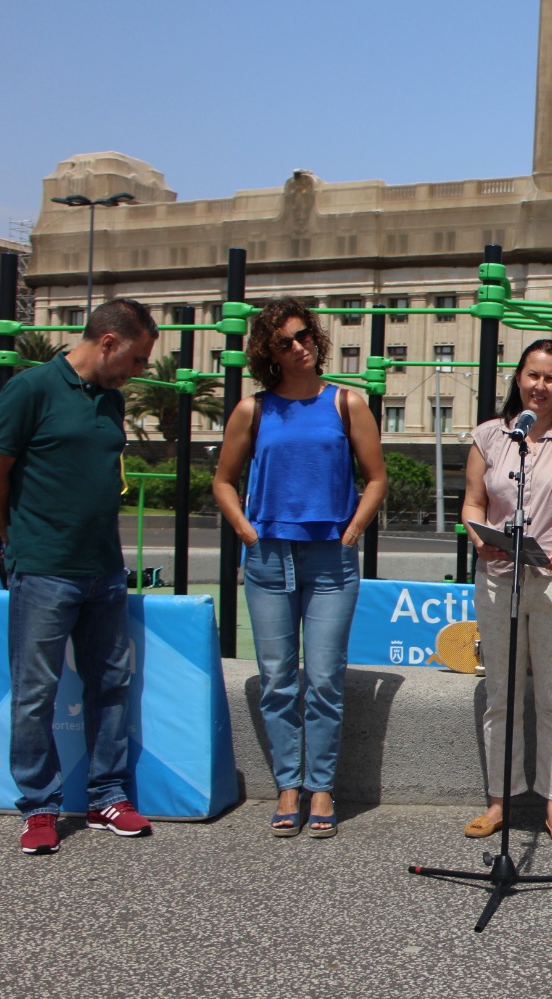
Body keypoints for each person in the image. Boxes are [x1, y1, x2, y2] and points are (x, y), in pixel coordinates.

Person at [0, 299, 159, 855]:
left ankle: (106, 797)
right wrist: (17, 541)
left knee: (110, 685)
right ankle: (38, 807)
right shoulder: (30, 390)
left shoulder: (111, 400)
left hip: (104, 569)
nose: (139, 370)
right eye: (137, 358)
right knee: (37, 692)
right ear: (107, 342)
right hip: (44, 570)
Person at [213, 298, 388, 839]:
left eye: (306, 335)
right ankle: (288, 785)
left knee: (326, 680)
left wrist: (354, 528)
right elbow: (222, 480)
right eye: (287, 341)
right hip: (268, 556)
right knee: (278, 679)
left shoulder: (347, 402)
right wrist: (245, 528)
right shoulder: (254, 409)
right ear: (269, 352)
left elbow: (376, 477)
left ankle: (322, 787)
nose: (301, 346)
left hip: (331, 558)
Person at [460, 339, 552, 844]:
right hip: (499, 580)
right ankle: (500, 801)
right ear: (517, 377)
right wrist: (480, 536)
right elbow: (473, 505)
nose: (539, 386)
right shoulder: (489, 436)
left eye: (550, 378)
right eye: (532, 375)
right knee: (501, 695)